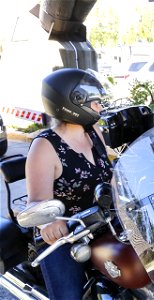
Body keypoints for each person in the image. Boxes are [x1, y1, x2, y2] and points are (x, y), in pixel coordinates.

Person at [25, 68, 113, 300]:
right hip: (65, 238)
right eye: (95, 103)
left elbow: (109, 175)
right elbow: (36, 202)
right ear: (73, 102)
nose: (100, 108)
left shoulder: (94, 131)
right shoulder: (45, 146)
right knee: (70, 296)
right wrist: (49, 224)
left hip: (104, 223)